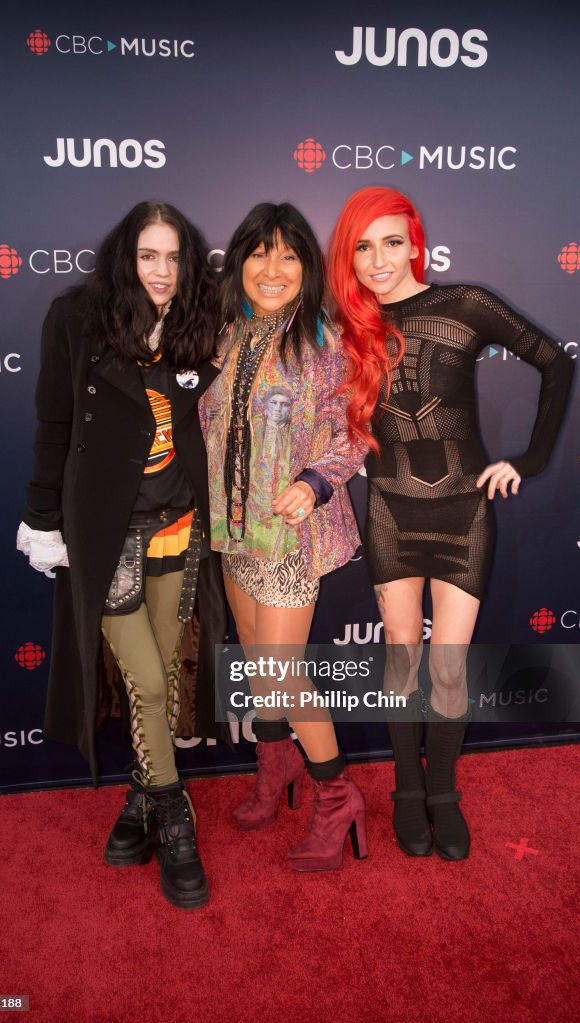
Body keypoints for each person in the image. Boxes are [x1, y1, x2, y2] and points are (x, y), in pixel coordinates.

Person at [328, 186, 574, 860]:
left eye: (390, 242)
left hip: (464, 511)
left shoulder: (465, 304)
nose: (378, 260)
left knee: (446, 667)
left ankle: (443, 793)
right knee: (401, 657)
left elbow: (555, 361)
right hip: (387, 511)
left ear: (415, 242)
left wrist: (529, 456)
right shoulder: (345, 324)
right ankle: (407, 792)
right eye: (362, 247)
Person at [17, 200, 225, 907]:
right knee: (151, 685)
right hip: (107, 536)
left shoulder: (202, 322)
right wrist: (42, 518)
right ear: (124, 257)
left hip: (180, 528)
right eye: (148, 255)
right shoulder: (76, 317)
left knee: (161, 675)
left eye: (173, 257)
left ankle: (139, 801)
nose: (162, 272)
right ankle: (174, 818)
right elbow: (53, 423)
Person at [201, 202, 368, 871]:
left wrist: (315, 482)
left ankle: (336, 797)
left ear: (308, 268)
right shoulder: (227, 333)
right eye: (258, 254)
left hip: (291, 534)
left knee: (281, 672)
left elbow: (352, 429)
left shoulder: (323, 339)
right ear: (238, 261)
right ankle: (277, 768)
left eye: (288, 256)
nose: (271, 270)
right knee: (256, 664)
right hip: (232, 529)